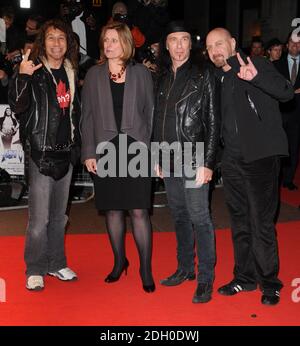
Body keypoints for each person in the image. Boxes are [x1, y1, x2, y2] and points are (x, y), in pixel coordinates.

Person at [206, 28, 294, 305]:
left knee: (261, 224)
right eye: (209, 47)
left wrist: (256, 77)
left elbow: (286, 92)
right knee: (240, 223)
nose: (215, 50)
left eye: (220, 43)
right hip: (231, 160)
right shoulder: (218, 76)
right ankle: (244, 278)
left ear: (232, 43)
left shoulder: (259, 64)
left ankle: (270, 282)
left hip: (261, 159)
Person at [81, 21, 155, 293]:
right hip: (105, 149)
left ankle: (145, 268)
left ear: (126, 42)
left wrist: (153, 153)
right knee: (113, 209)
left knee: (138, 210)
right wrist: (88, 152)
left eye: (113, 39)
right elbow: (86, 117)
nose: (108, 45)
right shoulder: (93, 75)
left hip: (137, 148)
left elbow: (151, 115)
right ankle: (119, 262)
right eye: (105, 40)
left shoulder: (142, 74)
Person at [8, 19, 81, 291]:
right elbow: (17, 106)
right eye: (51, 38)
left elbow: (74, 113)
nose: (56, 43)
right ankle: (35, 267)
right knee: (39, 219)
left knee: (59, 217)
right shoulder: (34, 71)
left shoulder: (72, 72)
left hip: (66, 154)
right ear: (43, 41)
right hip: (40, 153)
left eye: (61, 38)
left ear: (68, 42)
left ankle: (56, 263)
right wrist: (22, 76)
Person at [153, 21, 220, 303]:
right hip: (168, 159)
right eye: (173, 40)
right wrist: (156, 156)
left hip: (194, 157)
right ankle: (184, 268)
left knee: (199, 217)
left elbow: (214, 121)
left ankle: (205, 277)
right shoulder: (162, 76)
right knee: (179, 216)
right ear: (166, 45)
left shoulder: (203, 75)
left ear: (190, 44)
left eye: (184, 40)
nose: (179, 45)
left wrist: (208, 162)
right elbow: (157, 120)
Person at [274, 33, 300, 190]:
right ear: (287, 44)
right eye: (292, 42)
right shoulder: (277, 64)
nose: (295, 45)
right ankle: (276, 177)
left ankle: (288, 179)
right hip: (279, 112)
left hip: (298, 114)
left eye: (298, 43)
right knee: (278, 147)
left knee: (294, 146)